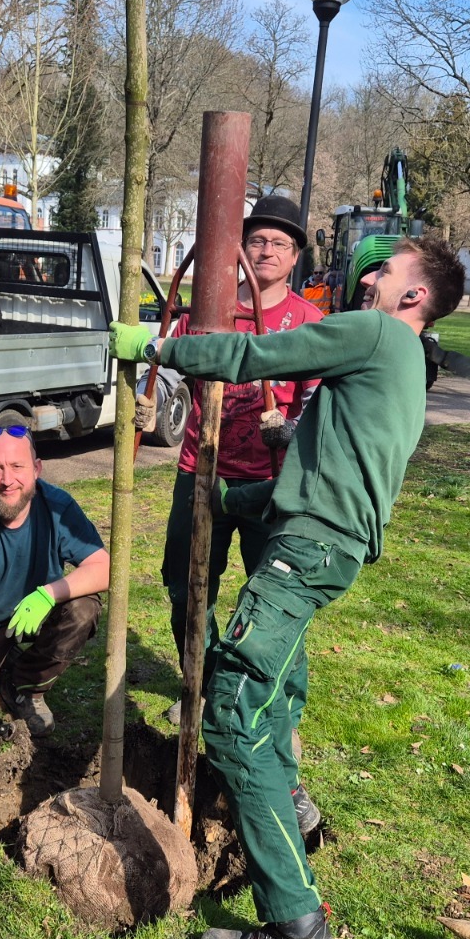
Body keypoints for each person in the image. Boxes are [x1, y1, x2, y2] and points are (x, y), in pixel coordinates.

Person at [109, 233, 467, 939]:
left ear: (414, 298)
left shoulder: (379, 333)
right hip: (320, 543)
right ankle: (289, 811)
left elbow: (255, 356)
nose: (370, 277)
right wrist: (231, 500)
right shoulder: (403, 366)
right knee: (264, 696)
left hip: (307, 551)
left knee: (233, 714)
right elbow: (334, 472)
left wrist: (158, 344)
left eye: (388, 270)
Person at [160, 195, 323, 834]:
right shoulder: (215, 306)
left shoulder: (309, 319)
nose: (267, 251)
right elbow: (173, 352)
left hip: (270, 486)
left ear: (295, 256)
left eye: (281, 243)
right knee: (184, 585)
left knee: (278, 603)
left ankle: (278, 708)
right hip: (199, 469)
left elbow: (320, 398)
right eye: (257, 240)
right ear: (241, 247)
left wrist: (294, 434)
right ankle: (196, 684)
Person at [0, 427, 109, 738]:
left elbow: (104, 568)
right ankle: (0, 664)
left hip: (37, 613)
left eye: (17, 467)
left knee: (83, 608)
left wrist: (48, 595)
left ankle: (27, 686)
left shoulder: (58, 508)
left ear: (36, 468)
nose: (7, 480)